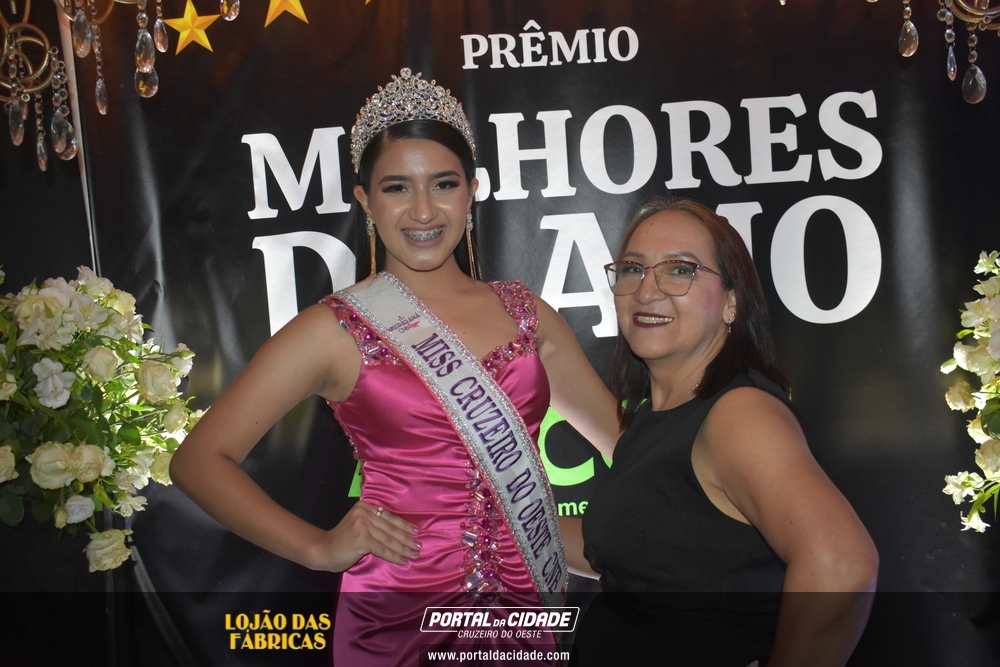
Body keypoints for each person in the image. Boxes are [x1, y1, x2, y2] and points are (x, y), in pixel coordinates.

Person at [169, 68, 618, 666]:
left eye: (444, 184)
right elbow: (198, 461)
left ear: (472, 191)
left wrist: (607, 543)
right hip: (401, 620)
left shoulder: (526, 313)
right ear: (365, 199)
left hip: (525, 607)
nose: (423, 210)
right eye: (397, 187)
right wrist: (318, 548)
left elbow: (634, 452)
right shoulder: (334, 329)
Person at [564, 198, 879, 667]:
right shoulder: (658, 416)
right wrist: (481, 525)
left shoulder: (739, 414)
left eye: (680, 270)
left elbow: (842, 565)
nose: (647, 291)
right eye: (632, 269)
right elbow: (631, 552)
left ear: (732, 302)